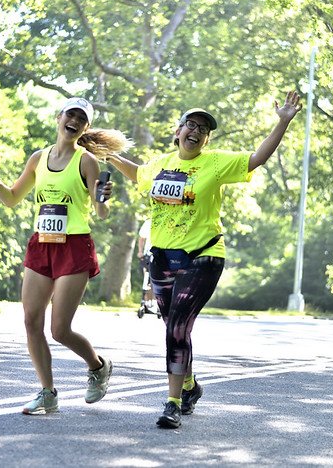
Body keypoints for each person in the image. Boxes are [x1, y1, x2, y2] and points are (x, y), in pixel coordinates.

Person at [107, 90, 302, 429]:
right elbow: (137, 172)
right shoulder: (160, 165)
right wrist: (108, 155)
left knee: (179, 325)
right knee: (173, 328)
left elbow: (257, 157)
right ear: (178, 130)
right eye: (190, 125)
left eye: (203, 129)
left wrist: (282, 122)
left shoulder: (215, 162)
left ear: (206, 139)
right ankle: (190, 385)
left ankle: (172, 403)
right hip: (163, 259)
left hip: (204, 256)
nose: (195, 132)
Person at [0, 96, 129, 414]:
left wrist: (102, 199)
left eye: (81, 119)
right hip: (41, 244)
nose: (74, 121)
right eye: (70, 114)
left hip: (74, 246)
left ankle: (98, 366)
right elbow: (12, 199)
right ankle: (47, 392)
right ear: (58, 118)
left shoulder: (86, 161)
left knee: (59, 330)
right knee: (31, 321)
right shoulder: (38, 159)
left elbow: (100, 213)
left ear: (84, 127)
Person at [136, 218, 159, 318]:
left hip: (161, 253)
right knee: (147, 279)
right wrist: (140, 252)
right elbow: (141, 238)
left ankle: (154, 303)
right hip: (148, 254)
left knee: (156, 280)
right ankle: (145, 302)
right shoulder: (149, 222)